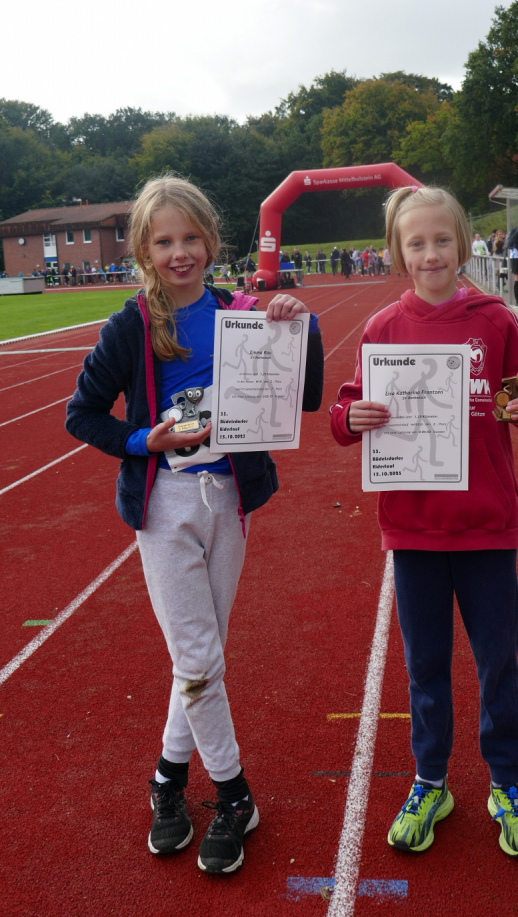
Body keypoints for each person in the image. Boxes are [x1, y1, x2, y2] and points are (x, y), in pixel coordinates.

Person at [65, 175, 325, 875]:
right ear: (144, 252)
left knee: (199, 656)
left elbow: (304, 397)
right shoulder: (129, 326)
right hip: (164, 506)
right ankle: (235, 796)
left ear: (210, 241)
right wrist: (142, 440)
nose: (178, 252)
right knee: (199, 656)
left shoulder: (243, 312)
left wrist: (301, 325)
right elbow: (81, 415)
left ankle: (167, 780)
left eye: (189, 238)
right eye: (163, 242)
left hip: (229, 502)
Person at [330, 184, 518, 860]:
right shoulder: (382, 329)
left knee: (497, 663)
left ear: (462, 244)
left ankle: (506, 783)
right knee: (425, 666)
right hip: (415, 531)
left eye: (442, 240)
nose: (431, 254)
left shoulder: (495, 320)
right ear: (399, 252)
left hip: (486, 527)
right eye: (417, 243)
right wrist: (350, 417)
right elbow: (347, 409)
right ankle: (431, 781)